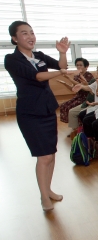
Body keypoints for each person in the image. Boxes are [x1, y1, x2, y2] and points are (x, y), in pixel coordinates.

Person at [4, 21, 71, 211]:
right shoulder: (11, 59)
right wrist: (61, 72)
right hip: (30, 113)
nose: (30, 36)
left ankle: (48, 189)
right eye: (25, 33)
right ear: (15, 38)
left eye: (32, 32)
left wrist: (63, 53)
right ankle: (44, 197)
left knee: (51, 154)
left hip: (47, 110)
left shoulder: (39, 56)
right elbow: (37, 76)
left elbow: (60, 64)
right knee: (43, 157)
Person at [59, 58, 95, 124]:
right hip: (78, 96)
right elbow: (74, 89)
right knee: (63, 106)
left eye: (81, 65)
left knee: (70, 107)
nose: (78, 67)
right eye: (77, 65)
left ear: (86, 67)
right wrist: (65, 84)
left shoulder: (89, 75)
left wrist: (69, 78)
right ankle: (73, 125)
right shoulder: (76, 76)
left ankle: (78, 125)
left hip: (86, 97)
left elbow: (82, 87)